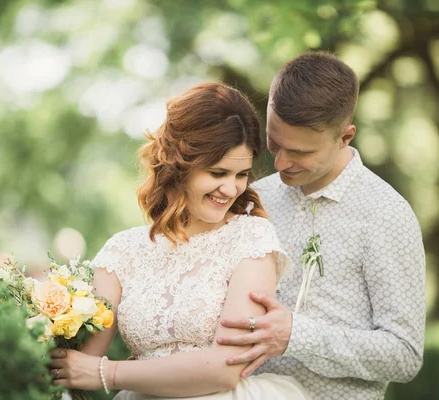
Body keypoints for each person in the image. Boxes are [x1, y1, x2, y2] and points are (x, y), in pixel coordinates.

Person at [48, 82, 311, 399]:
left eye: (241, 175)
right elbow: (80, 366)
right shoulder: (122, 251)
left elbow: (224, 368)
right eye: (218, 173)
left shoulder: (251, 238)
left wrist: (110, 373)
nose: (231, 189)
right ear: (178, 165)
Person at [217, 51, 426, 399]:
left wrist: (297, 336)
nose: (281, 162)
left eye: (299, 152)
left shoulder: (387, 214)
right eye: (274, 142)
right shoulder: (253, 199)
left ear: (346, 137)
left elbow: (404, 355)